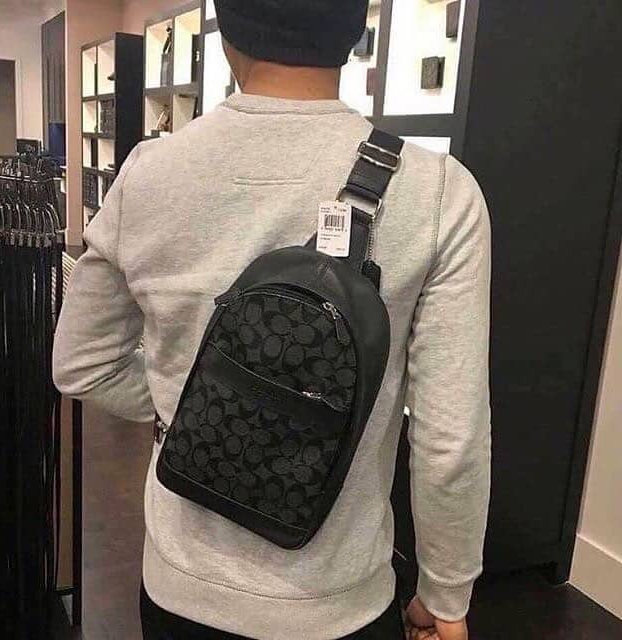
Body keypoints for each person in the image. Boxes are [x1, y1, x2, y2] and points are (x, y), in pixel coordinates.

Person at [53, 1, 491, 639]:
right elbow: (450, 437)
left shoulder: (148, 173)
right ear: (356, 31)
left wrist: (200, 400)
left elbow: (81, 364)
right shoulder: (439, 192)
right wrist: (445, 595)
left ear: (225, 34)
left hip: (182, 586)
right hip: (339, 599)